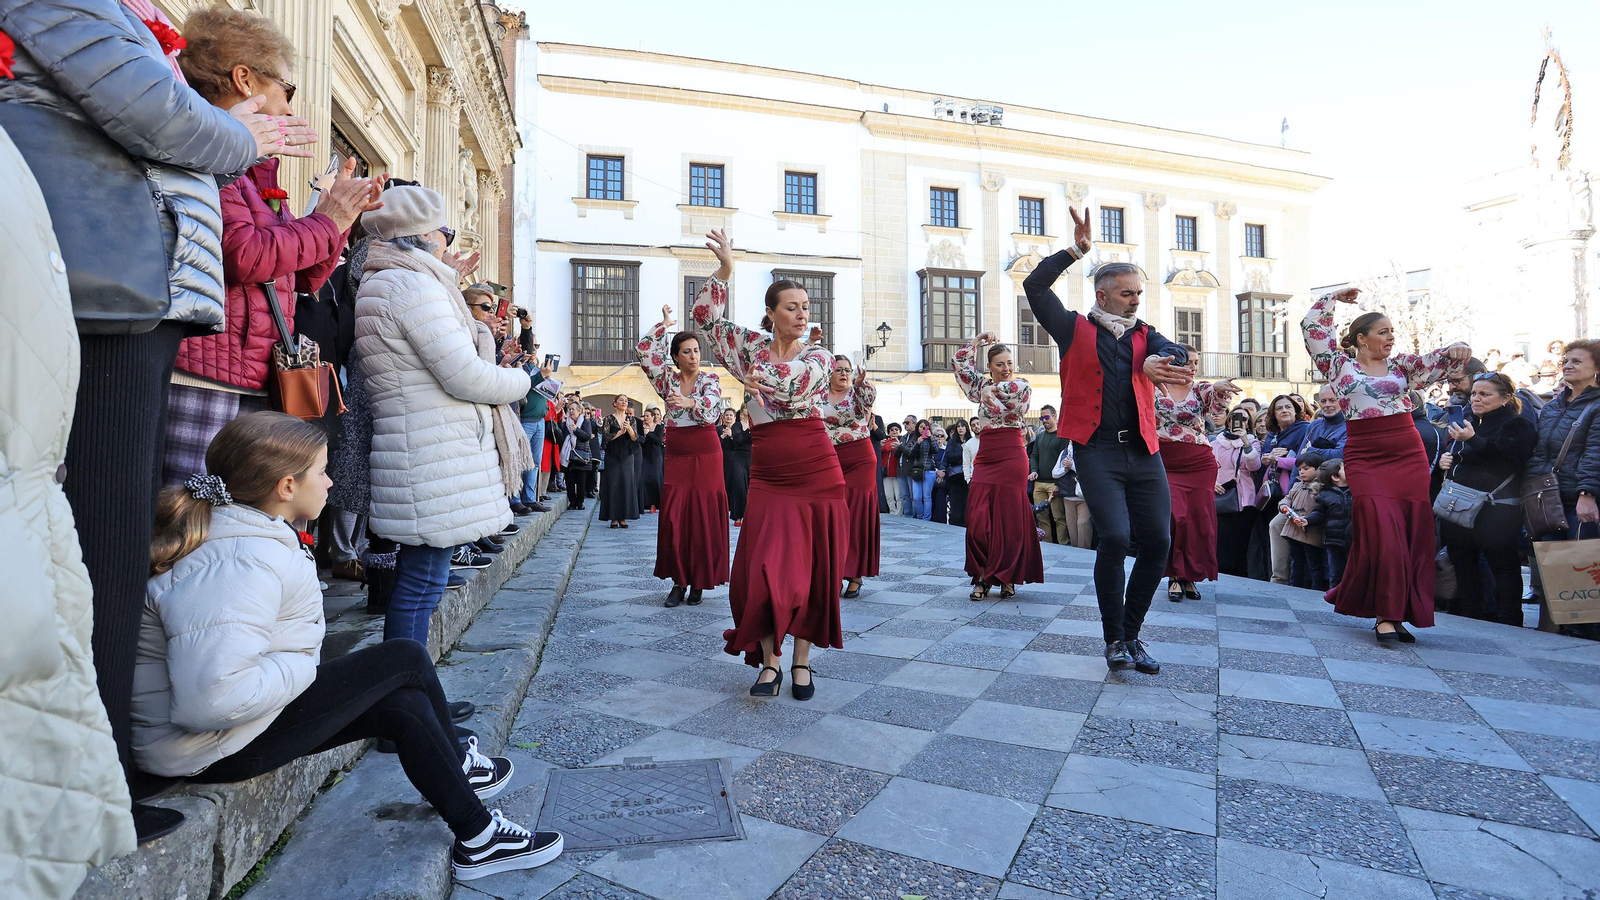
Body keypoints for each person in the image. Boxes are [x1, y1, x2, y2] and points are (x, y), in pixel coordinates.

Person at [0, 0, 317, 842]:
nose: (283, 110)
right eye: (279, 92)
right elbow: (160, 118)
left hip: (130, 295)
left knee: (107, 532)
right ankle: (97, 774)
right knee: (108, 532)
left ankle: (101, 760)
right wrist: (240, 133)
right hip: (109, 292)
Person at [134, 413, 562, 880]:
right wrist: (302, 669)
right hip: (208, 746)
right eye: (321, 471)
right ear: (286, 486)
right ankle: (464, 785)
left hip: (225, 731)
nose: (331, 481)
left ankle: (477, 834)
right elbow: (212, 699)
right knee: (403, 658)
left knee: (402, 704)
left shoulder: (244, 537)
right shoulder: (240, 560)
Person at [164, 8, 384, 485]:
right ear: (243, 79)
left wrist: (338, 220)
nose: (289, 109)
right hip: (207, 370)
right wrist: (327, 221)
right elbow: (246, 256)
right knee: (192, 514)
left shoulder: (254, 167)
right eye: (287, 90)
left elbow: (301, 277)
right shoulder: (207, 154)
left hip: (251, 368)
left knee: (240, 517)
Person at [353, 186, 530, 646]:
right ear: (423, 235)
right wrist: (521, 382)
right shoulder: (410, 285)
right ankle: (406, 701)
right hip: (427, 451)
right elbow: (464, 374)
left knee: (424, 582)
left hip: (426, 447)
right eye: (445, 232)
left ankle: (415, 694)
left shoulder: (394, 280)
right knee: (420, 585)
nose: (449, 243)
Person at [1023, 206, 1192, 674]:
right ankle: (1113, 638)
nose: (1136, 300)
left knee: (1158, 541)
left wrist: (1168, 358)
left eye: (1139, 293)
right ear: (1103, 295)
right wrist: (1074, 250)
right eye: (1127, 293)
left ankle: (1133, 635)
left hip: (1143, 451)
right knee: (1115, 537)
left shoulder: (1145, 334)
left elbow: (1175, 351)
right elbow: (1035, 287)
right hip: (1096, 451)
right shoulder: (1072, 327)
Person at [693, 230, 845, 700]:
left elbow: (796, 386)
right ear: (771, 312)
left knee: (812, 570)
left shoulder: (819, 355)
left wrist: (760, 377)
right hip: (770, 473)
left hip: (816, 467)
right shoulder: (748, 346)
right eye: (791, 307)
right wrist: (724, 270)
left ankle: (800, 662)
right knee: (758, 568)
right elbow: (703, 318)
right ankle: (769, 662)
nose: (802, 314)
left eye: (805, 307)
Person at [1303, 288, 1469, 643]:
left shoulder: (1403, 366)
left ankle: (1395, 612)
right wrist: (1333, 297)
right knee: (1381, 530)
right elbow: (1313, 326)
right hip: (1364, 454)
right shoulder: (1338, 365)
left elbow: (1443, 360)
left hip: (1406, 453)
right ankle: (1385, 611)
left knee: (1410, 532)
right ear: (1361, 339)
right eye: (1383, 332)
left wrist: (1457, 345)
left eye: (1393, 332)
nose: (1391, 337)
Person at [636, 306, 728, 608]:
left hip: (706, 451)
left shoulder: (710, 379)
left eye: (696, 350)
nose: (693, 356)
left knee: (701, 517)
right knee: (676, 516)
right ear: (675, 356)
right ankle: (678, 581)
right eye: (686, 351)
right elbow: (645, 351)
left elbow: (713, 408)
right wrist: (664, 325)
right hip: (677, 451)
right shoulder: (666, 379)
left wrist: (689, 402)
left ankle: (699, 581)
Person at [1436, 373, 1536, 625]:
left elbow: (1508, 461)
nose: (1476, 399)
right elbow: (1464, 459)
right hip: (1458, 506)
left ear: (1505, 398)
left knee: (1503, 567)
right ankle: (1470, 616)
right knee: (1463, 565)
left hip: (1496, 510)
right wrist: (1446, 461)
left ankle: (1510, 621)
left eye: (1485, 394)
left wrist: (1472, 440)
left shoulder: (1517, 425)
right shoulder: (1469, 422)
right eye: (1474, 394)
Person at [954, 333, 1045, 600]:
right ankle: (982, 573)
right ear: (990, 367)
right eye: (999, 364)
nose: (1006, 369)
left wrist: (990, 390)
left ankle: (1006, 577)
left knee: (1010, 520)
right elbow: (961, 367)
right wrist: (975, 342)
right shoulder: (980, 386)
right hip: (987, 455)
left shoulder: (1021, 385)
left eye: (1009, 363)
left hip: (1012, 455)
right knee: (978, 520)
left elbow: (1016, 395)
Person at [1154, 371, 1240, 601]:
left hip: (1198, 462)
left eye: (1194, 364)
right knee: (1175, 518)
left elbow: (1216, 401)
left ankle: (1188, 576)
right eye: (1186, 363)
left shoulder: (1199, 387)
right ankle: (1173, 574)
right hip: (1164, 461)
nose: (1190, 368)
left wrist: (1220, 388)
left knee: (1197, 521)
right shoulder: (1153, 386)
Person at [819, 355, 881, 598]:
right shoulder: (818, 394)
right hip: (828, 458)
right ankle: (833, 572)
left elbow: (869, 399)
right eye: (838, 370)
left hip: (859, 459)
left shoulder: (858, 393)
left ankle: (855, 573)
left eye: (847, 370)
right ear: (829, 374)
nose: (844, 374)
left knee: (855, 515)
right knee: (832, 515)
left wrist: (861, 384)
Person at [1529, 340, 1600, 539]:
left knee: (1582, 566)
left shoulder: (1597, 405)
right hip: (1548, 499)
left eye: (1577, 361)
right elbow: (1540, 452)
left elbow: (1595, 452)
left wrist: (1587, 494)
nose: (1568, 366)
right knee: (1550, 566)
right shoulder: (1552, 406)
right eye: (1566, 361)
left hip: (1580, 503)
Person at [1260, 394, 1313, 585]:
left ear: (1296, 411)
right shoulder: (1272, 436)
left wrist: (1278, 460)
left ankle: (1289, 580)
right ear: (1273, 414)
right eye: (1279, 408)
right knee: (1275, 528)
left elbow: (1305, 462)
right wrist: (1266, 459)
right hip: (1273, 495)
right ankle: (1279, 578)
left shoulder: (1305, 430)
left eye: (1288, 407)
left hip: (1298, 491)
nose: (1284, 411)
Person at [1211, 408, 1263, 578]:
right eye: (1235, 417)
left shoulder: (1253, 443)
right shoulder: (1215, 443)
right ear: (1228, 420)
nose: (1239, 421)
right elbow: (1207, 467)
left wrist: (1245, 442)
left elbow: (1254, 466)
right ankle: (1218, 572)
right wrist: (1213, 482)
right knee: (1220, 539)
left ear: (1249, 423)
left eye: (1245, 419)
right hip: (1219, 496)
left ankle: (1238, 575)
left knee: (1240, 541)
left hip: (1243, 499)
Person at [1279, 455, 1328, 590]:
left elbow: (1321, 509)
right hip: (1293, 529)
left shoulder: (1321, 488)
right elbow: (1287, 498)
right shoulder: (1298, 484)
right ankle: (1295, 587)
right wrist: (1284, 506)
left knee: (1314, 563)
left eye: (1306, 469)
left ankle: (1316, 589)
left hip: (1310, 532)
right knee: (1296, 561)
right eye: (1300, 469)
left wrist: (1308, 520)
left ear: (1318, 469)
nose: (1302, 472)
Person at [1028, 405, 1072, 544]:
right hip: (1039, 482)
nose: (1044, 420)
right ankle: (1046, 545)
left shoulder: (1062, 436)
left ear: (1054, 416)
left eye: (1046, 417)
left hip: (1054, 483)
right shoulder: (1040, 437)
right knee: (1041, 517)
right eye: (1042, 418)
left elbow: (1064, 463)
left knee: (1059, 517)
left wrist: (1058, 484)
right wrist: (1034, 470)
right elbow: (1034, 455)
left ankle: (1063, 545)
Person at [1305, 460, 1353, 586]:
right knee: (1336, 573)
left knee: (1352, 572)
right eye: (1344, 468)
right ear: (1335, 477)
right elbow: (1319, 514)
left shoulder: (1356, 490)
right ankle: (1334, 598)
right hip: (1334, 540)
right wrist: (1307, 520)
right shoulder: (1325, 495)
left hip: (1354, 539)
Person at [600, 395, 643, 528]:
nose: (624, 402)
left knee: (626, 484)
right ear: (615, 403)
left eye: (625, 401)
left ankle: (623, 516)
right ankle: (613, 517)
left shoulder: (631, 420)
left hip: (627, 455)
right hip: (612, 455)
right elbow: (606, 437)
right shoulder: (608, 419)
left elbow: (635, 437)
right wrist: (620, 432)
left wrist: (629, 429)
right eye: (621, 400)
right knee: (613, 484)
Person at [554, 399, 596, 510]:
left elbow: (587, 436)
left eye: (573, 409)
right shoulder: (566, 422)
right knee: (570, 481)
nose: (571, 411)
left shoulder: (585, 422)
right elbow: (561, 435)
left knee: (581, 482)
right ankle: (572, 502)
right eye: (569, 409)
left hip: (581, 456)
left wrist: (576, 430)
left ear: (579, 411)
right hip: (568, 456)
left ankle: (580, 502)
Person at [719, 408, 752, 524]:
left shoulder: (755, 424)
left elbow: (749, 439)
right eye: (744, 411)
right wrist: (737, 437)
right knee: (738, 485)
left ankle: (751, 516)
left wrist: (736, 436)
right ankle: (738, 516)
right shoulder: (737, 425)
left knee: (751, 486)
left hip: (751, 457)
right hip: (738, 457)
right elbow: (735, 442)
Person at [903, 419, 938, 520]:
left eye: (925, 427)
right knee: (916, 497)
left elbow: (935, 450)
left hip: (929, 469)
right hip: (917, 470)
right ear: (917, 428)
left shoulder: (932, 439)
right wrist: (917, 443)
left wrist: (930, 437)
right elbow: (911, 454)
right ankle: (920, 516)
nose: (923, 429)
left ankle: (926, 519)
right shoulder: (915, 439)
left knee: (926, 497)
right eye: (921, 427)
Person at [1302, 385, 1349, 460]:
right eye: (1323, 401)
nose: (1327, 405)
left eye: (1332, 400)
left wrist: (1310, 450)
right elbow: (1299, 456)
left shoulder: (1349, 426)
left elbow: (1340, 454)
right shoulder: (1314, 425)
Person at [944, 418, 973, 526]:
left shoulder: (971, 441)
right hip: (955, 477)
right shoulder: (952, 442)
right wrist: (962, 451)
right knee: (955, 503)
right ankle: (954, 524)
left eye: (963, 426)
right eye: (958, 427)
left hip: (968, 476)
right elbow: (949, 456)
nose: (960, 429)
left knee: (967, 502)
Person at [639, 407, 666, 513]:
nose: (645, 418)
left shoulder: (658, 427)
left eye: (647, 416)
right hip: (644, 456)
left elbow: (658, 441)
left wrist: (648, 434)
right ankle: (646, 503)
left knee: (655, 478)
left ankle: (655, 503)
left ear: (652, 417)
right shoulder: (641, 428)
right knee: (644, 478)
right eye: (644, 416)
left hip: (656, 456)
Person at [881, 423, 905, 515]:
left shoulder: (902, 441)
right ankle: (892, 512)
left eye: (896, 429)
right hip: (886, 473)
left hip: (897, 472)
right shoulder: (885, 441)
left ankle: (899, 513)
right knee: (889, 495)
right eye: (892, 430)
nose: (894, 431)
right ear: (889, 432)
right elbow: (884, 449)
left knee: (899, 495)